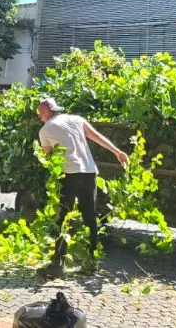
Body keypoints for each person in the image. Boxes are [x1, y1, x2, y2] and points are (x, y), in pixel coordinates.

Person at [36, 97, 129, 280]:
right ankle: (92, 261)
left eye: (40, 113)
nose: (40, 117)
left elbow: (47, 158)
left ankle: (58, 264)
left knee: (63, 218)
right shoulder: (77, 119)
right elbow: (97, 137)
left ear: (47, 111)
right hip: (89, 173)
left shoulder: (45, 130)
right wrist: (117, 152)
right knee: (90, 217)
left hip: (69, 175)